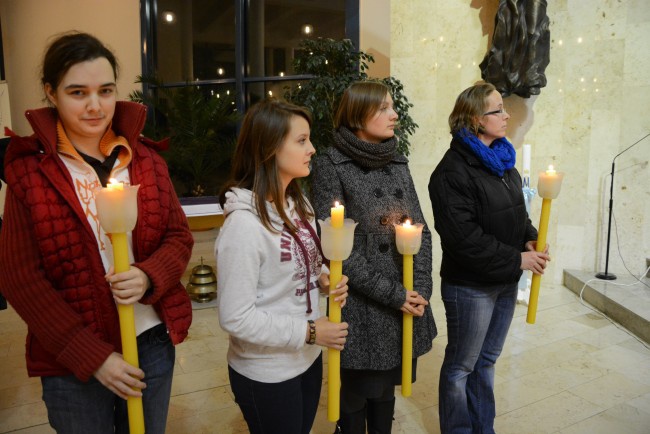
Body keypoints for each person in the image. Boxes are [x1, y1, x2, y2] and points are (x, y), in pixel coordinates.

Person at [0, 32, 193, 433]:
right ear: (51, 93)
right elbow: (21, 279)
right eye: (77, 92)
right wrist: (92, 356)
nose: (95, 105)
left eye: (105, 91)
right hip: (74, 358)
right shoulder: (28, 172)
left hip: (149, 341)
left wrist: (148, 274)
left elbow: (178, 237)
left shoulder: (143, 160)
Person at [215, 99, 350, 434]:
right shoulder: (243, 227)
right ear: (270, 148)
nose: (313, 149)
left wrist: (320, 278)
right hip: (266, 370)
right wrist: (311, 331)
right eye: (301, 141)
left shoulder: (297, 203)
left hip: (306, 358)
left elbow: (297, 265)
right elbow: (235, 316)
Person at [311, 81, 437, 434]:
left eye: (392, 106)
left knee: (385, 390)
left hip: (405, 294)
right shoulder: (330, 165)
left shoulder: (397, 161)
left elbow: (421, 229)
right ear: (357, 114)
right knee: (356, 394)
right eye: (383, 108)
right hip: (364, 303)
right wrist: (395, 295)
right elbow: (336, 249)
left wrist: (420, 287)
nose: (394, 114)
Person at [428, 82, 550, 434]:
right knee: (461, 366)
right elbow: (463, 239)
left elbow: (516, 213)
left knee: (487, 362)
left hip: (504, 281)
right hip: (470, 287)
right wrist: (517, 261)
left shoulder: (502, 160)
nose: (506, 115)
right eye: (497, 109)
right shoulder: (451, 172)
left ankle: (484, 429)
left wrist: (529, 239)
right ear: (474, 119)